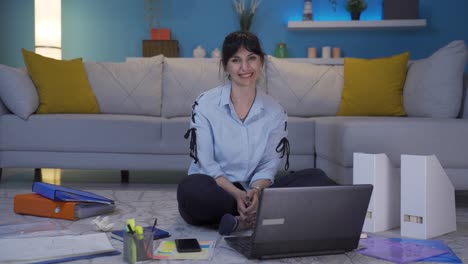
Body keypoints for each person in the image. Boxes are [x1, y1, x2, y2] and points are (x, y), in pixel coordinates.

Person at [177, 31, 337, 235]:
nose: (245, 67)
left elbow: (269, 164)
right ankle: (259, 214)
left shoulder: (275, 110)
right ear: (226, 65)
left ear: (261, 61)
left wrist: (256, 192)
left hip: (256, 190)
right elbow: (207, 163)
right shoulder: (205, 104)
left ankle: (242, 217)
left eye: (251, 58)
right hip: (218, 189)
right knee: (190, 190)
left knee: (317, 178)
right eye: (236, 60)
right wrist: (236, 194)